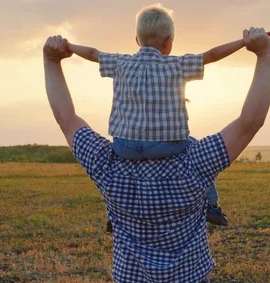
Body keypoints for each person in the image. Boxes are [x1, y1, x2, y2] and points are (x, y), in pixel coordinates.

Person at [43, 26, 270, 283]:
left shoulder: (107, 165)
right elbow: (250, 122)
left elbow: (66, 117)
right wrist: (264, 54)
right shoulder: (195, 161)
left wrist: (51, 60)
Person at [67, 4, 257, 225]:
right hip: (167, 145)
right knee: (197, 150)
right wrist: (243, 43)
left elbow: (92, 54)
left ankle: (113, 214)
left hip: (124, 146)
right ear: (169, 42)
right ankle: (211, 205)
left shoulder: (120, 63)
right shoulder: (177, 64)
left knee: (118, 171)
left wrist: (68, 45)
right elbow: (212, 55)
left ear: (137, 40)